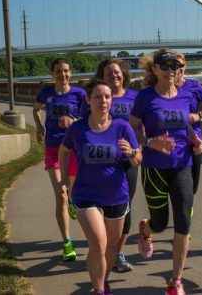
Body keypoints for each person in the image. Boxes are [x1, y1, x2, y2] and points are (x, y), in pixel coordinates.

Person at [129, 49, 202, 295]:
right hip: (154, 168)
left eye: (174, 65)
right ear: (155, 69)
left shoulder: (185, 96)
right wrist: (149, 142)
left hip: (182, 165)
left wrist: (195, 139)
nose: (171, 69)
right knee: (160, 224)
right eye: (165, 65)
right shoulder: (145, 98)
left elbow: (186, 125)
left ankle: (176, 281)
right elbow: (133, 129)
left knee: (184, 221)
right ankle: (147, 229)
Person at [59, 79, 141, 295]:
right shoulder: (78, 128)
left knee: (112, 247)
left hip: (116, 194)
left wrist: (131, 153)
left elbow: (137, 157)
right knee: (98, 242)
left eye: (107, 96)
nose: (103, 101)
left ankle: (103, 281)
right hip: (86, 193)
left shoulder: (122, 127)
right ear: (88, 100)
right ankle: (98, 290)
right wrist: (65, 178)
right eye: (97, 96)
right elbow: (64, 150)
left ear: (111, 101)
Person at [79, 58, 138, 273]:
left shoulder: (135, 98)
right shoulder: (96, 98)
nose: (114, 76)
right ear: (101, 78)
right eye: (109, 73)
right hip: (99, 161)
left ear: (123, 74)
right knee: (99, 205)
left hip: (128, 160)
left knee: (125, 206)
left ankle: (117, 251)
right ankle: (101, 247)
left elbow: (146, 123)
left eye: (117, 72)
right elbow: (82, 127)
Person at [32, 57, 86, 261]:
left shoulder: (79, 94)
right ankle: (67, 243)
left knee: (73, 193)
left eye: (66, 71)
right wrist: (39, 127)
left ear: (70, 73)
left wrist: (74, 120)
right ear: (52, 74)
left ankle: (73, 200)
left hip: (73, 149)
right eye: (58, 71)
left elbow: (88, 116)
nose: (62, 75)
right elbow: (35, 109)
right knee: (60, 195)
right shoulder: (46, 92)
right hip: (53, 149)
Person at [174, 52, 202, 196]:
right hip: (171, 141)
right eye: (174, 65)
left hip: (194, 140)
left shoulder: (194, 85)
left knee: (193, 182)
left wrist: (199, 116)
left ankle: (186, 209)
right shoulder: (161, 88)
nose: (178, 68)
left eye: (181, 65)